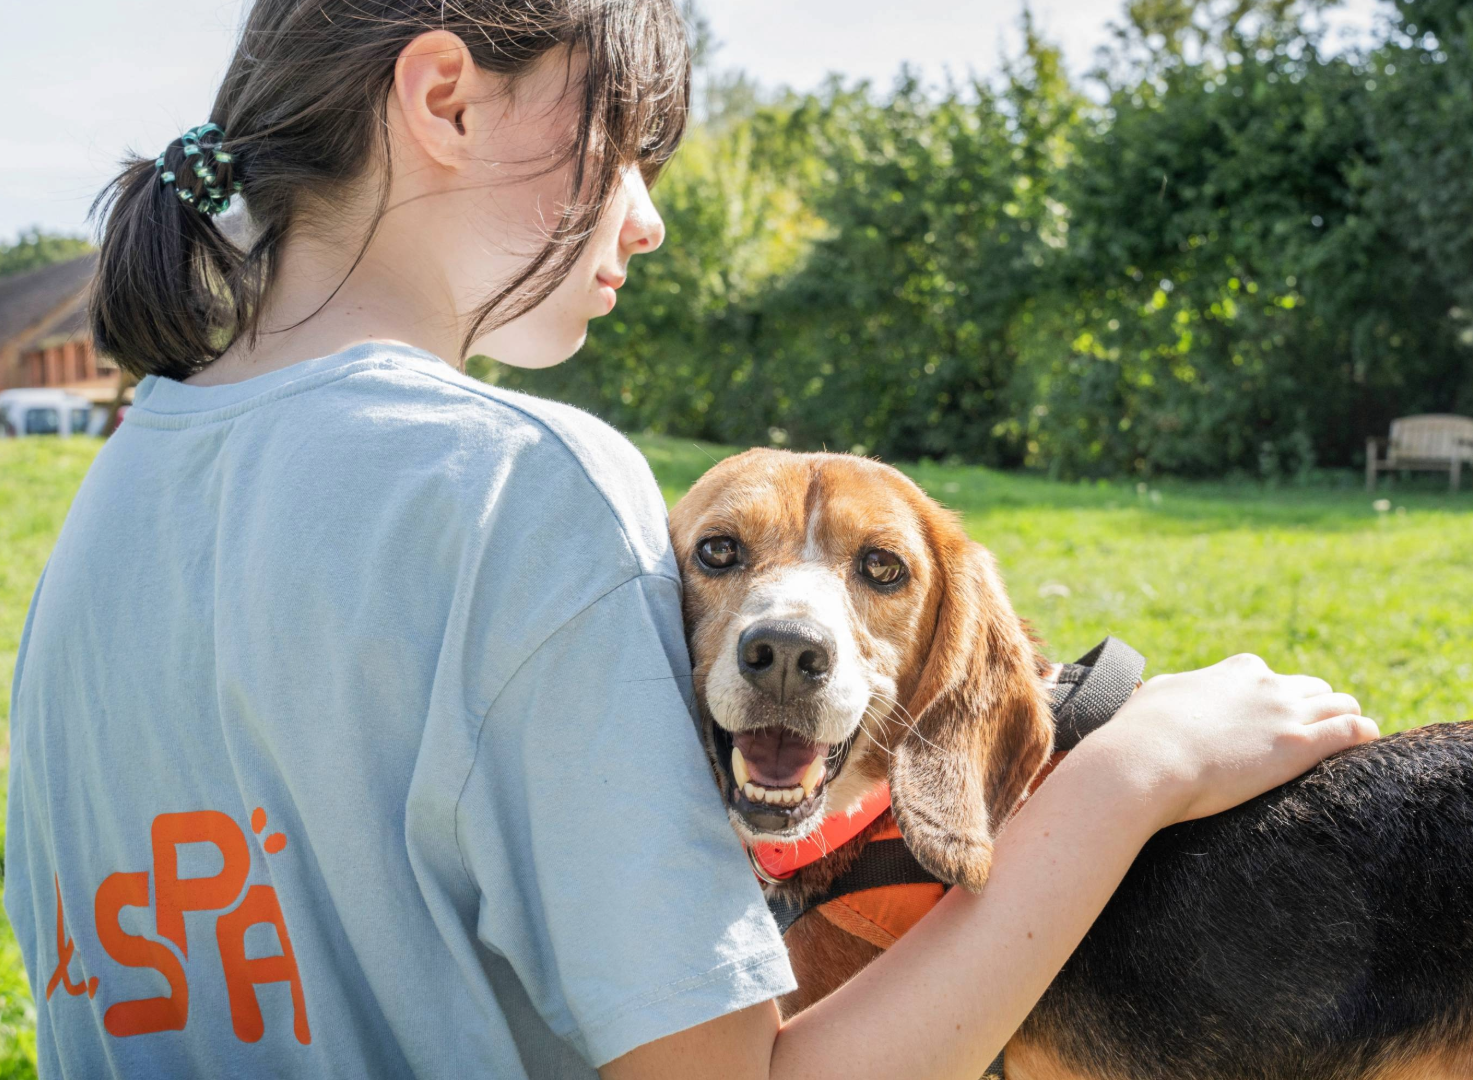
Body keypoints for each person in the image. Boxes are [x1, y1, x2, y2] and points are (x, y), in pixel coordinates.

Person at [2, 2, 1378, 1077]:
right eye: (632, 150)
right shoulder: (523, 479)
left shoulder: (102, 519)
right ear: (445, 101)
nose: (648, 219)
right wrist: (1131, 774)